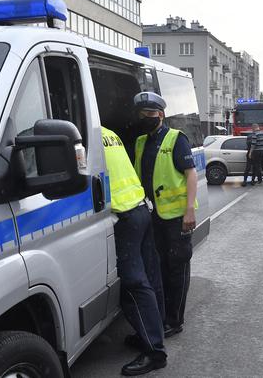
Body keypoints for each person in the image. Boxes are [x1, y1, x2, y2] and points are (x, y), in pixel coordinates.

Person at [101, 126, 167, 376]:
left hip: (124, 215)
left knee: (134, 284)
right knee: (150, 276)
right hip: (139, 207)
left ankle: (155, 351)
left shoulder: (84, 132)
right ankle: (151, 334)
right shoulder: (108, 132)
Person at [133, 92, 198, 339]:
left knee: (177, 268)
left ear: (160, 115)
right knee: (158, 267)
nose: (145, 118)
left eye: (149, 114)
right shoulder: (141, 142)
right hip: (153, 216)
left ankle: (175, 320)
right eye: (141, 114)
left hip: (177, 217)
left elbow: (190, 174)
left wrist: (189, 210)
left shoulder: (175, 139)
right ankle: (161, 317)